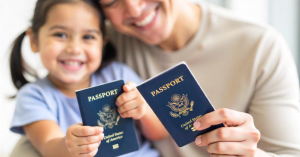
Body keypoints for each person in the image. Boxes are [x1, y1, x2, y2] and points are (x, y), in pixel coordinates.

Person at [96, 0, 300, 156]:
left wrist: (253, 154)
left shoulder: (261, 46)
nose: (134, 9)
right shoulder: (96, 47)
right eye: (112, 1)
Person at [9, 0, 168, 157]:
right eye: (60, 35)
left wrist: (142, 110)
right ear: (34, 40)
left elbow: (160, 133)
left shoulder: (119, 76)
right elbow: (48, 146)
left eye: (88, 37)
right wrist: (69, 145)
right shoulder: (34, 96)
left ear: (103, 43)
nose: (75, 49)